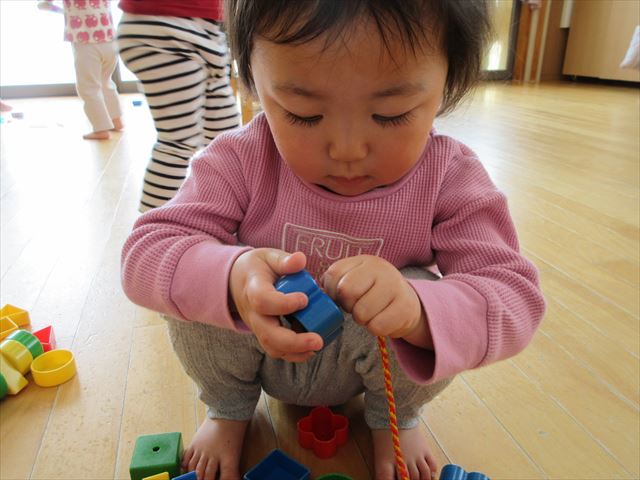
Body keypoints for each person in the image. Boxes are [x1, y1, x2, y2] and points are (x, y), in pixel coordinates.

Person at [121, 1, 546, 479]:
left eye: (390, 114)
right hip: (261, 350)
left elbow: (514, 298)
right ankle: (228, 408)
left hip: (374, 365)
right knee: (205, 276)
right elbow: (146, 252)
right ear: (252, 82)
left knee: (417, 288)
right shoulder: (239, 159)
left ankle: (394, 417)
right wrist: (233, 277)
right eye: (303, 114)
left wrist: (418, 311)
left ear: (447, 84)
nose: (347, 150)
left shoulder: (450, 177)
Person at [117, 0, 241, 213]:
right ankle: (153, 229)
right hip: (163, 30)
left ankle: (219, 217)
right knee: (178, 141)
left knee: (227, 141)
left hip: (206, 30)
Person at [38, 0, 123, 140]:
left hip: (85, 41)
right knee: (105, 82)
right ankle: (116, 120)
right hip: (109, 38)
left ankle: (101, 128)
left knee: (88, 88)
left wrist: (63, 11)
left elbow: (43, 4)